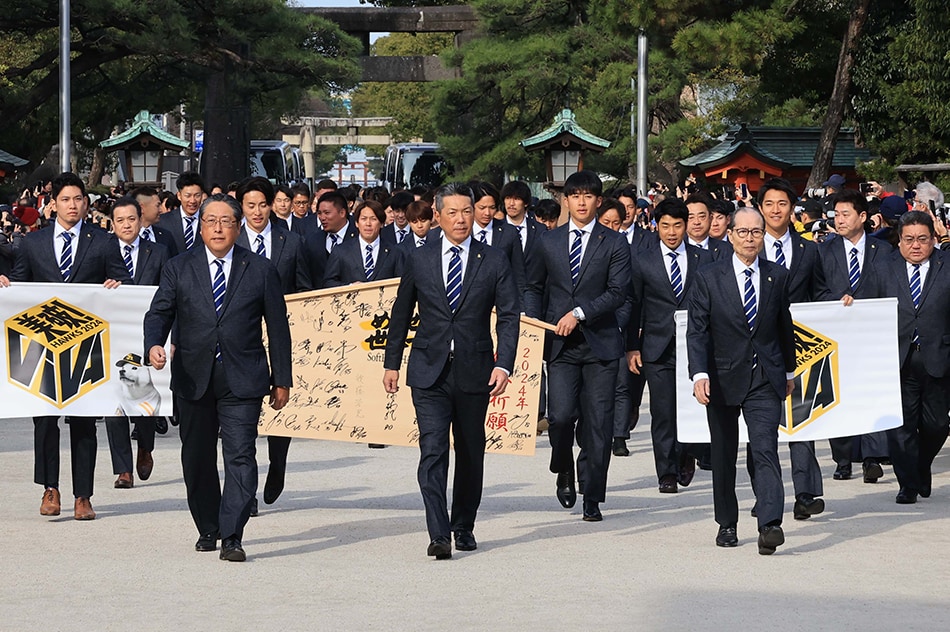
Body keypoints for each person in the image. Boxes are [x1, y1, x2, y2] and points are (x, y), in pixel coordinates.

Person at [144, 194, 292, 562]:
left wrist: (282, 378)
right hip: (194, 376)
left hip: (243, 377)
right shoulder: (179, 267)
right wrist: (153, 345)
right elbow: (158, 312)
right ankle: (208, 526)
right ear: (202, 226)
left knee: (240, 455)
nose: (219, 228)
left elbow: (278, 327)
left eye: (227, 221)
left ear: (238, 226)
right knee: (196, 457)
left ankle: (232, 534)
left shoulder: (259, 269)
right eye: (211, 221)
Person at [383, 182, 520, 560]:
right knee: (433, 450)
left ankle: (464, 524)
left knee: (471, 450)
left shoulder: (493, 258)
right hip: (429, 369)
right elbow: (401, 311)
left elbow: (508, 315)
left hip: (476, 369)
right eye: (453, 213)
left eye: (467, 211)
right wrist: (391, 363)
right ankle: (438, 531)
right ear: (438, 216)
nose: (461, 220)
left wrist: (504, 362)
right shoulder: (420, 256)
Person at [0, 172, 131, 521]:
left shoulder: (102, 241)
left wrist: (117, 284)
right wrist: (7, 288)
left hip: (86, 346)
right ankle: (50, 488)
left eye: (79, 199)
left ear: (86, 203)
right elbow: (21, 287)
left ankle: (83, 496)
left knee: (84, 421)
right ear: (53, 204)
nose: (73, 206)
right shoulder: (32, 243)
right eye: (66, 200)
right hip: (42, 345)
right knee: (44, 420)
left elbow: (123, 280)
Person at [687, 207, 796, 555]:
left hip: (765, 376)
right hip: (721, 376)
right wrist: (699, 373)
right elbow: (697, 330)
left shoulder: (776, 276)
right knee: (723, 453)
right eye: (743, 232)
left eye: (757, 232)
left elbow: (784, 326)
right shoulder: (708, 277)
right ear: (730, 234)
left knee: (765, 448)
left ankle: (769, 523)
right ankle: (727, 522)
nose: (750, 238)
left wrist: (790, 371)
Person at [524, 170, 631, 522]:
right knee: (560, 417)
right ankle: (564, 468)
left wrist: (580, 313)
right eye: (576, 196)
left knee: (598, 424)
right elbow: (534, 286)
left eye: (589, 196)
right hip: (559, 345)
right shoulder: (547, 241)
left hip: (600, 344)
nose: (582, 202)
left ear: (598, 202)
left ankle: (593, 496)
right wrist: (534, 323)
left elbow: (618, 292)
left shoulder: (614, 243)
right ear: (565, 201)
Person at [236, 176, 313, 509]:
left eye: (262, 205)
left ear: (272, 205)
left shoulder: (291, 241)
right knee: (243, 419)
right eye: (250, 205)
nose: (257, 211)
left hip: (282, 333)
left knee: (281, 405)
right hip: (243, 338)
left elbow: (306, 290)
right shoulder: (230, 239)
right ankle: (245, 489)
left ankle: (278, 464)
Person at [626, 198, 712, 493]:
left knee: (692, 407)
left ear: (686, 225)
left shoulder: (704, 259)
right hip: (656, 346)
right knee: (663, 412)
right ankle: (666, 472)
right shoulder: (643, 259)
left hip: (694, 347)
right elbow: (633, 304)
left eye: (677, 225)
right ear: (656, 226)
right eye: (665, 226)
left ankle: (687, 454)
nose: (672, 232)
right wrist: (632, 347)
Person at [755, 177, 827, 521]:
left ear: (793, 208)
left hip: (799, 347)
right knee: (762, 428)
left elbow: (820, 294)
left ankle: (806, 493)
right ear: (759, 208)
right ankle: (765, 495)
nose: (775, 210)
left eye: (782, 204)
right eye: (769, 204)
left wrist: (840, 304)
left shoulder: (809, 249)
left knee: (802, 420)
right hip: (758, 351)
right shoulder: (745, 247)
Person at [869, 211, 950, 504]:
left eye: (922, 239)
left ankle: (921, 464)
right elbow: (870, 310)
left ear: (933, 239)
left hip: (939, 357)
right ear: (899, 241)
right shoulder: (882, 268)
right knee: (900, 427)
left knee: (938, 424)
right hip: (897, 359)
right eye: (909, 239)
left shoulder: (947, 265)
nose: (916, 245)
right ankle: (908, 484)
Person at [817, 188, 891, 482]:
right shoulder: (823, 250)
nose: (839, 220)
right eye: (836, 215)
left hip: (872, 334)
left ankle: (872, 457)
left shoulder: (883, 251)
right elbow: (817, 289)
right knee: (839, 395)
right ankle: (843, 458)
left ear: (863, 217)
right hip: (837, 334)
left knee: (871, 392)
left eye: (846, 214)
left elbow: (890, 287)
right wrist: (836, 301)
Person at [103, 196, 170, 489]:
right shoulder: (101, 253)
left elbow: (170, 291)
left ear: (140, 220)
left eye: (131, 219)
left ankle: (145, 446)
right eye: (120, 220)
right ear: (112, 224)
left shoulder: (159, 251)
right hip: (113, 336)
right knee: (113, 401)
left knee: (143, 395)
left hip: (147, 335)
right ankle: (123, 469)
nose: (126, 225)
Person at [324, 200, 403, 287]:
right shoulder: (341, 250)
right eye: (364, 219)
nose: (368, 224)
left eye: (373, 219)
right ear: (357, 223)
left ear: (381, 224)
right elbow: (328, 282)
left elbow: (401, 283)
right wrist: (350, 286)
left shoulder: (395, 252)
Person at [302, 191, 357, 289]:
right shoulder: (312, 241)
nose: (322, 218)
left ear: (342, 213)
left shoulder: (359, 237)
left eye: (327, 213)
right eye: (319, 213)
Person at [157, 172, 206, 253]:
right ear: (179, 196)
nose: (192, 201)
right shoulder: (163, 222)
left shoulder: (208, 220)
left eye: (197, 195)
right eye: (188, 195)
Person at [686, 193, 732, 259]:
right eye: (691, 217)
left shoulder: (728, 250)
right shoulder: (676, 249)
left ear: (710, 218)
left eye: (702, 217)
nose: (696, 222)